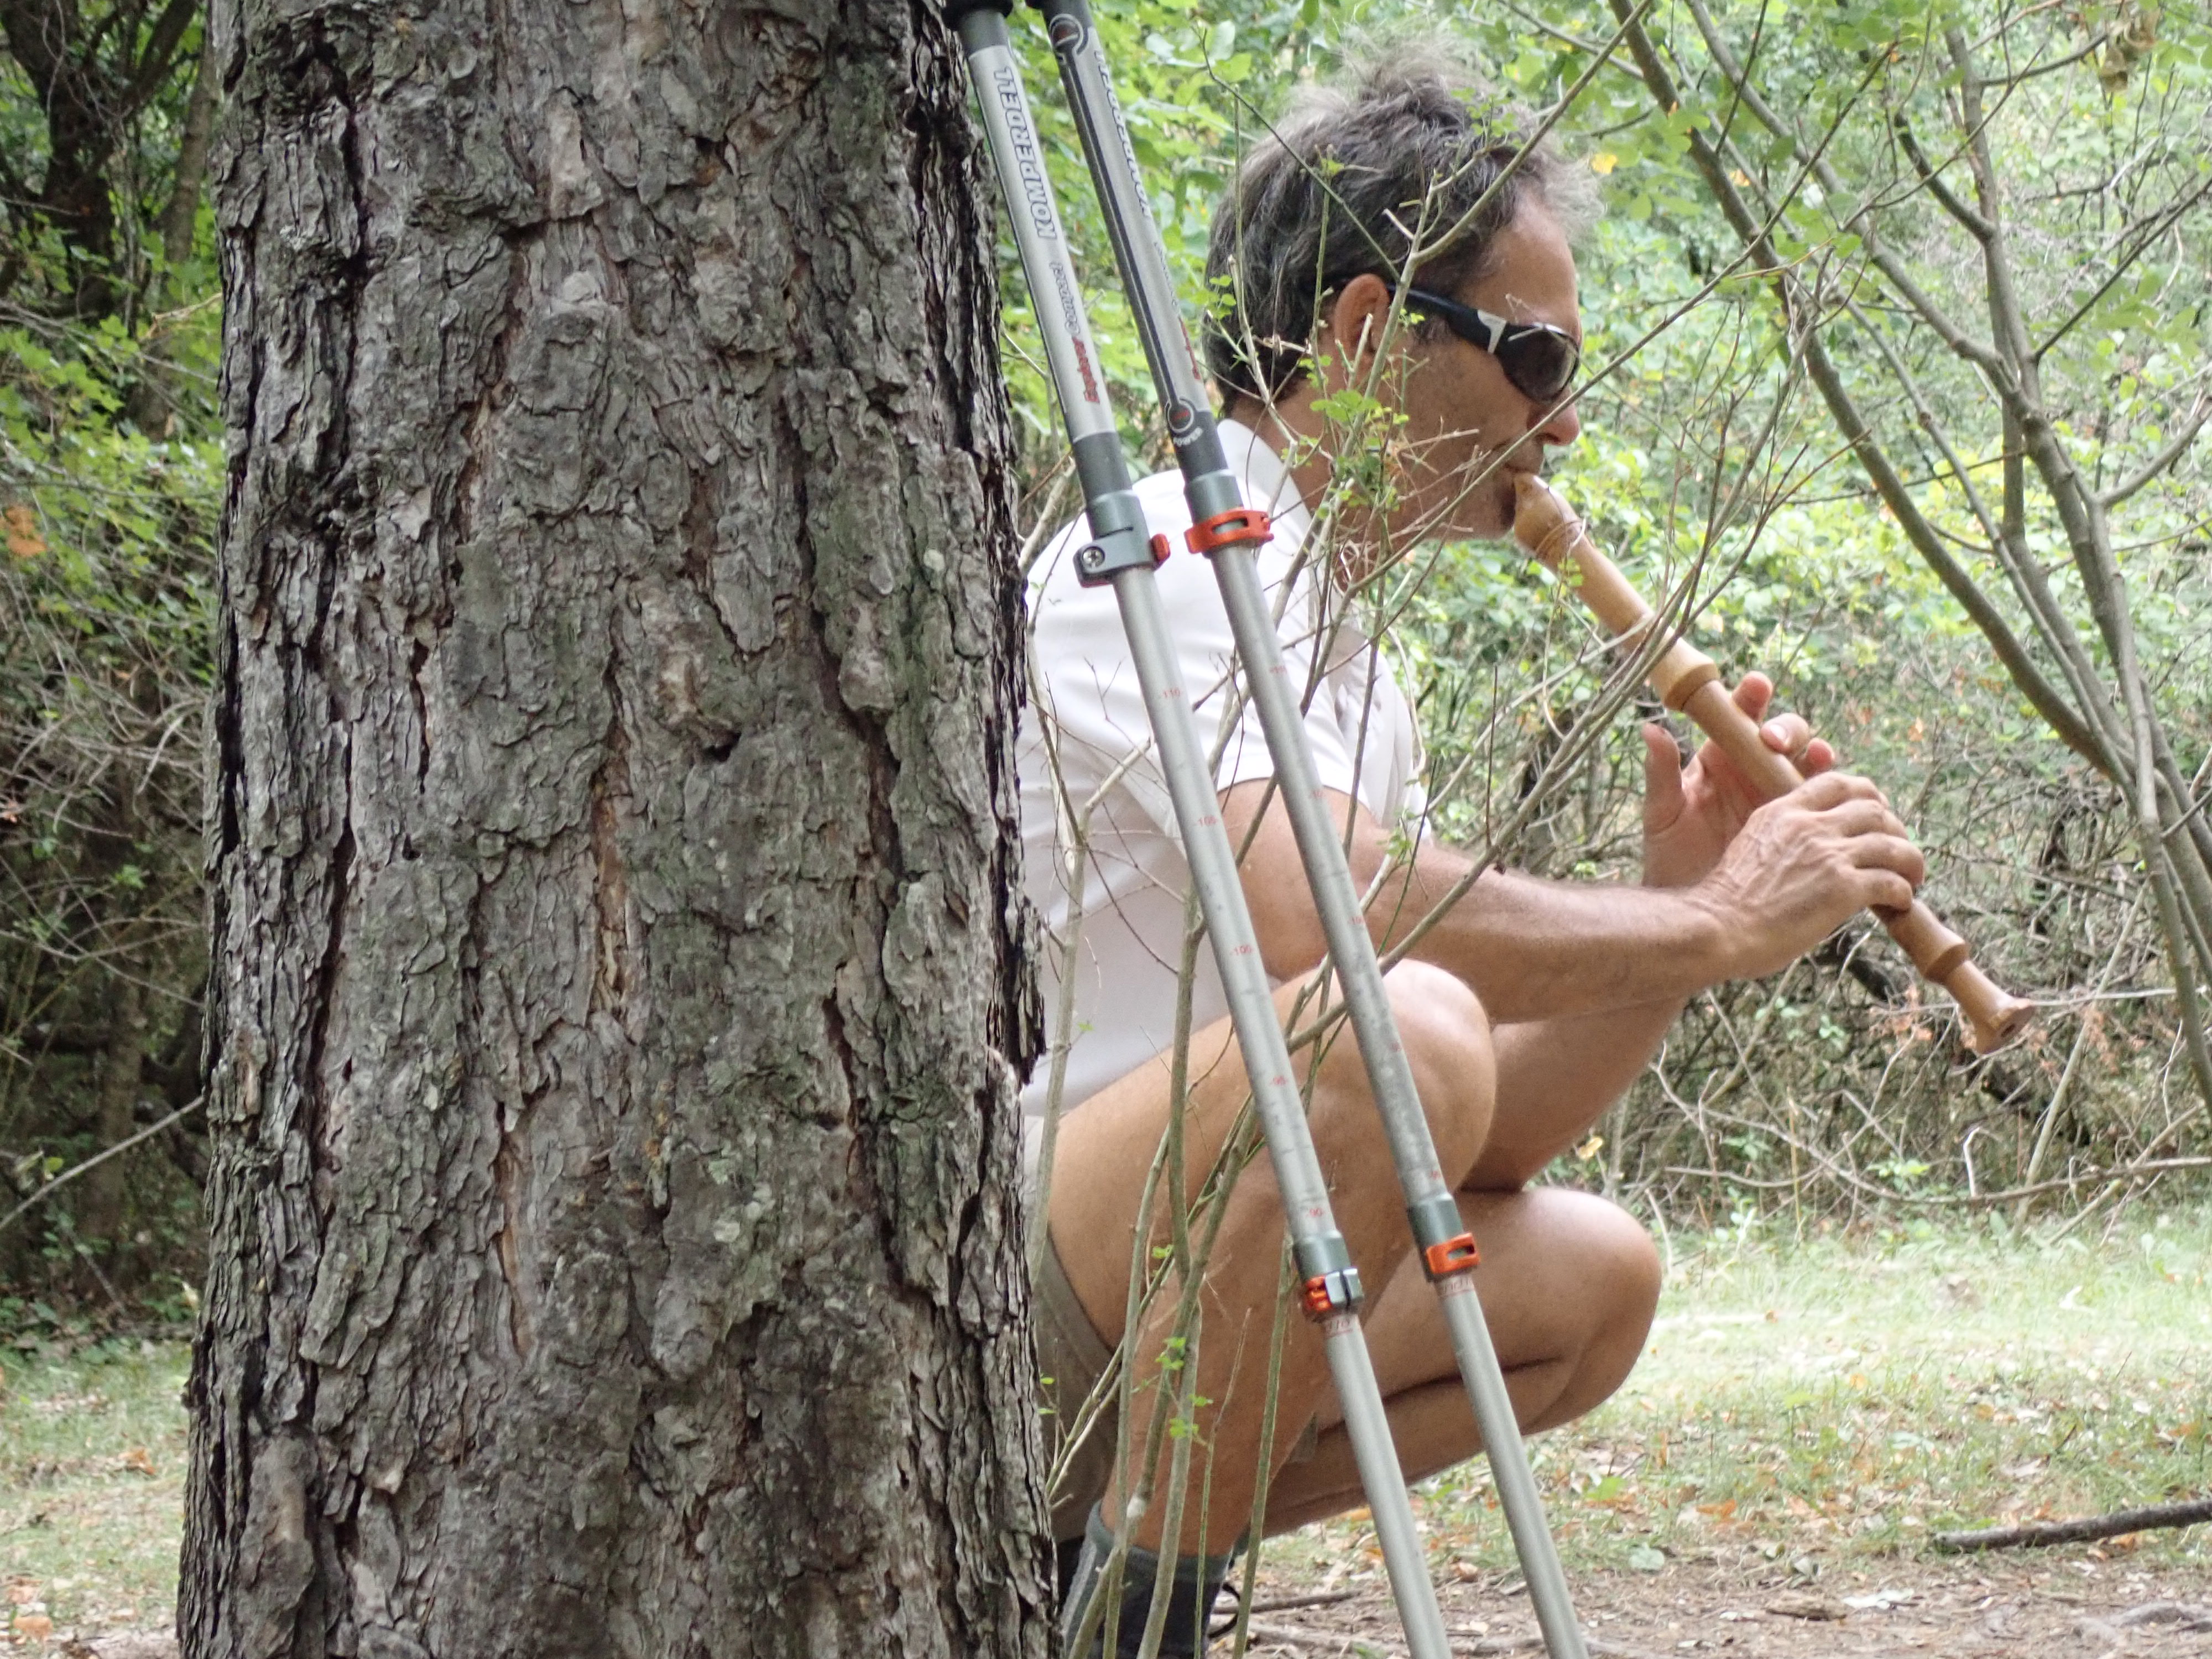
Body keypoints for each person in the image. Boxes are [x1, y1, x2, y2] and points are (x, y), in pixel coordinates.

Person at [1017, 49, 1926, 1656]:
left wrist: (1672, 913)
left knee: (1594, 1278)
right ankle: (1139, 1633)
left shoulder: (1353, 663)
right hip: (1000, 1281)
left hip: (1178, 1287)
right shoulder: (1166, 551)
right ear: (1371, 332)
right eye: (1535, 359)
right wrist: (1719, 923)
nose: (1560, 425)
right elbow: (1322, 914)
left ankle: (1086, 1582)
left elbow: (1471, 1144)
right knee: (1406, 1021)